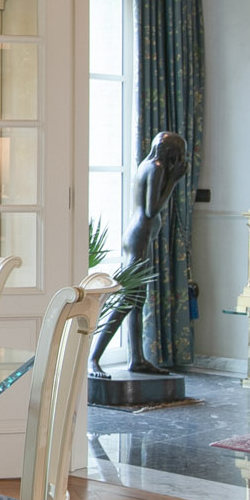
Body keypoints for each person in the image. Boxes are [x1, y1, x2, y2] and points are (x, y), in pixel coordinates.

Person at [89, 131, 189, 378]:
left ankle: (137, 358)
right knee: (127, 300)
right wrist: (173, 181)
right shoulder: (156, 168)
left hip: (140, 237)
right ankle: (93, 358)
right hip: (140, 237)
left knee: (136, 302)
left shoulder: (148, 164)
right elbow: (151, 210)